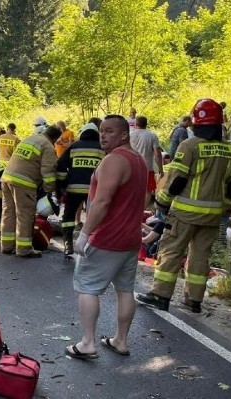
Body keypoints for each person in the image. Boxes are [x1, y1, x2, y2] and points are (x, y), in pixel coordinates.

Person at [137, 99, 231, 313]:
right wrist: (226, 207)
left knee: (171, 252)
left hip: (184, 213)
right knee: (200, 257)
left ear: (197, 123)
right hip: (212, 216)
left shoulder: (190, 146)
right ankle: (194, 300)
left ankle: (160, 295)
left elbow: (177, 180)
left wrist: (162, 203)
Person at [65, 115, 147, 360]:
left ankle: (88, 343)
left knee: (88, 288)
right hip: (130, 239)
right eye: (102, 130)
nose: (103, 135)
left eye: (109, 131)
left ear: (124, 135)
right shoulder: (138, 160)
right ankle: (120, 341)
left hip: (107, 238)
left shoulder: (114, 160)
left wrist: (85, 234)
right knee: (125, 290)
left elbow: (102, 201)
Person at [0, 126, 60, 258]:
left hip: (6, 178)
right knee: (25, 215)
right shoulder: (48, 146)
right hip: (24, 182)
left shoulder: (30, 138)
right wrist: (49, 191)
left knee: (8, 212)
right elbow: (48, 171)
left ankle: (7, 246)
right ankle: (24, 249)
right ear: (55, 138)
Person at [56, 123, 104, 256]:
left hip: (73, 189)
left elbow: (60, 166)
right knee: (94, 217)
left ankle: (68, 244)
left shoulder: (74, 146)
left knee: (68, 217)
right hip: (94, 191)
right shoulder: (102, 148)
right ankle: (91, 246)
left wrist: (63, 185)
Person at [129, 116, 163, 208]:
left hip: (131, 168)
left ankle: (131, 209)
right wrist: (161, 169)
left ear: (136, 124)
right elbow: (158, 155)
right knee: (148, 190)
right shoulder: (152, 136)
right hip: (147, 168)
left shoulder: (130, 135)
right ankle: (142, 210)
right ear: (146, 124)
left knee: (131, 189)